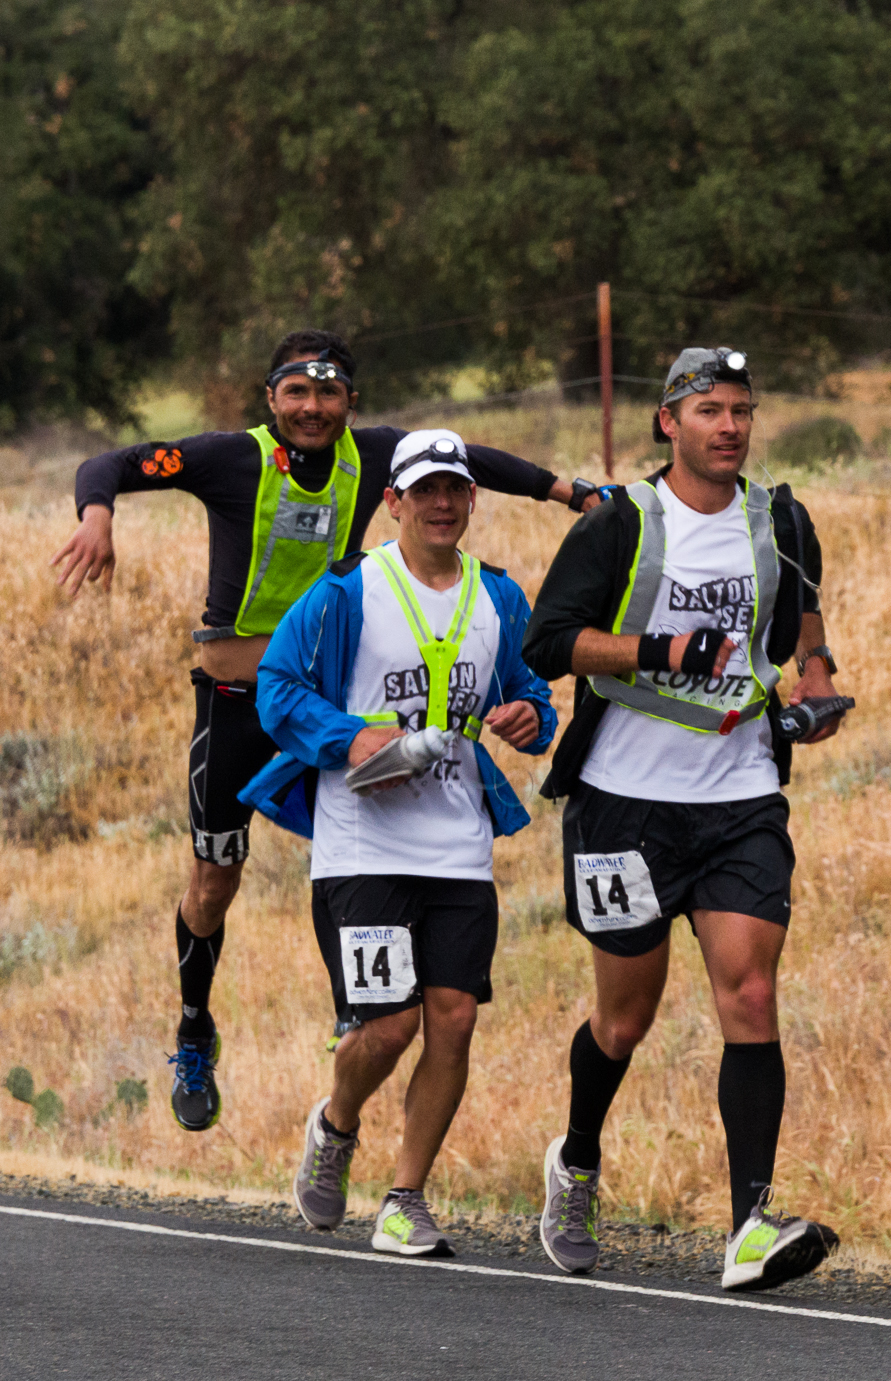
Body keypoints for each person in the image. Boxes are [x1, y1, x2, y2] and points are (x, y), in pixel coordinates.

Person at [48, 329, 601, 1135]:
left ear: (350, 400)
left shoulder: (377, 457)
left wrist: (576, 493)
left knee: (356, 854)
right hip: (238, 702)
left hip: (336, 713)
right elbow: (109, 465)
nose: (313, 408)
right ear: (271, 399)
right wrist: (97, 516)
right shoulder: (228, 457)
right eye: (296, 394)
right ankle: (195, 1026)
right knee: (213, 881)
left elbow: (472, 460)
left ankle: (360, 1011)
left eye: (329, 393)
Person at [523, 346, 849, 1292]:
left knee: (749, 996)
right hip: (624, 804)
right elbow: (549, 642)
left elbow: (803, 616)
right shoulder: (620, 523)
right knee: (624, 1020)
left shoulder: (780, 517)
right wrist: (656, 646)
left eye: (742, 409)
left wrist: (817, 683)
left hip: (739, 794)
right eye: (710, 409)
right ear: (668, 422)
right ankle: (577, 1158)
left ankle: (749, 1223)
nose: (731, 426)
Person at [240, 428, 556, 1256]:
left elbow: (529, 693)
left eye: (455, 489)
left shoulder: (501, 597)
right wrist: (348, 738)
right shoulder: (348, 590)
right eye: (424, 491)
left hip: (458, 844)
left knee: (450, 1020)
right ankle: (337, 1122)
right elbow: (276, 687)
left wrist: (531, 719)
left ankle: (405, 1196)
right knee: (388, 1025)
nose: (442, 504)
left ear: (472, 499)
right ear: (394, 501)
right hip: (360, 843)